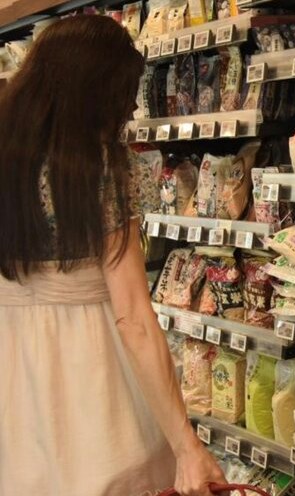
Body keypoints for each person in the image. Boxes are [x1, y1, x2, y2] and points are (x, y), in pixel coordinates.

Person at [0, 15, 226, 496]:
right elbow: (132, 318)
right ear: (95, 93)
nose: (132, 106)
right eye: (126, 91)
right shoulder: (107, 170)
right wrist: (187, 447)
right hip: (90, 366)